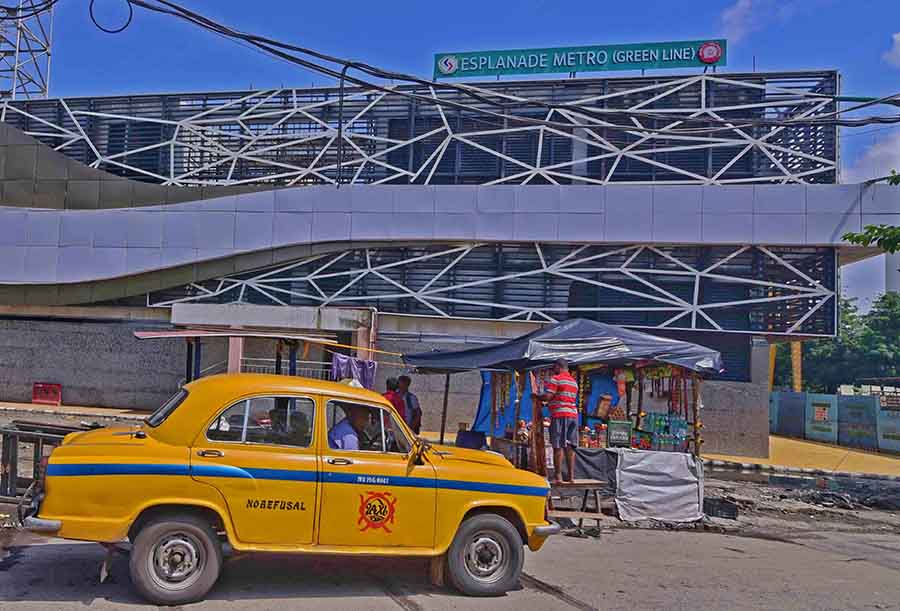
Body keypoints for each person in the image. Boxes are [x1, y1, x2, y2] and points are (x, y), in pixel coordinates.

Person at [533, 358, 579, 484]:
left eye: (554, 368)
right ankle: (571, 477)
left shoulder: (556, 379)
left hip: (560, 415)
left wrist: (537, 397)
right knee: (570, 446)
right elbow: (563, 398)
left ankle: (558, 477)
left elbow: (548, 396)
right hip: (573, 415)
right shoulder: (574, 382)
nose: (553, 370)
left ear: (558, 367)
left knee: (557, 445)